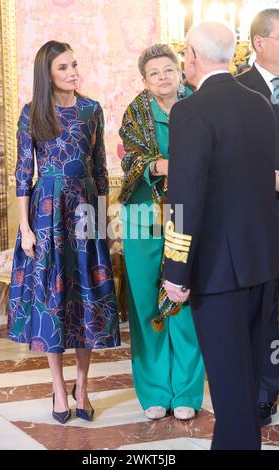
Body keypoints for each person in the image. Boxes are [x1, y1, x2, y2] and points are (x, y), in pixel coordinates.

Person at [163, 21, 279, 450]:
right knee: (248, 384)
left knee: (230, 389)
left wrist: (175, 270)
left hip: (218, 270)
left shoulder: (189, 110)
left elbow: (184, 197)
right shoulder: (259, 103)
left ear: (191, 56)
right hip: (263, 260)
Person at [8, 40, 120, 424]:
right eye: (63, 68)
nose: (73, 72)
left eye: (74, 65)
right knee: (52, 304)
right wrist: (24, 227)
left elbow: (101, 171)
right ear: (48, 74)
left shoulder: (91, 110)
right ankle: (58, 388)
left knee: (87, 299)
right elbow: (24, 174)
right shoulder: (32, 113)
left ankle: (83, 386)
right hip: (46, 214)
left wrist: (102, 220)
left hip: (86, 211)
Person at [119, 44, 205, 421]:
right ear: (145, 80)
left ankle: (187, 391)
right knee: (146, 305)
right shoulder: (135, 113)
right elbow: (131, 160)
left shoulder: (200, 108)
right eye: (154, 73)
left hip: (190, 215)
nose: (163, 77)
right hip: (143, 217)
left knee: (185, 300)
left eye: (168, 69)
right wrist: (163, 165)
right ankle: (154, 391)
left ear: (180, 70)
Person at [236, 8, 279, 426]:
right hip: (260, 219)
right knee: (264, 310)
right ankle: (264, 392)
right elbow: (228, 159)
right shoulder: (237, 90)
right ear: (260, 43)